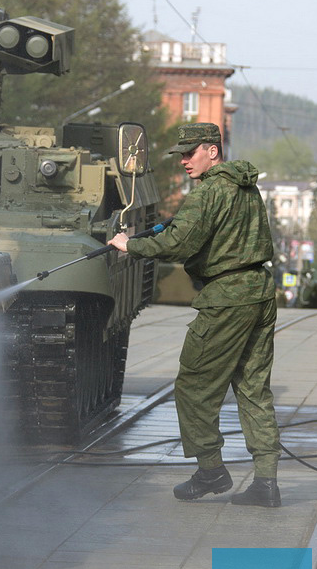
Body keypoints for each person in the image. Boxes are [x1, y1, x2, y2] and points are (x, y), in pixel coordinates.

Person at [107, 122, 281, 505]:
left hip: (226, 299)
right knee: (253, 389)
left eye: (190, 153)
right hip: (259, 291)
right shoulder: (247, 186)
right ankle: (266, 483)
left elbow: (179, 243)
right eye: (181, 155)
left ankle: (211, 471)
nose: (184, 161)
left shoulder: (209, 193)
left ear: (212, 151)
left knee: (192, 387)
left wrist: (129, 246)